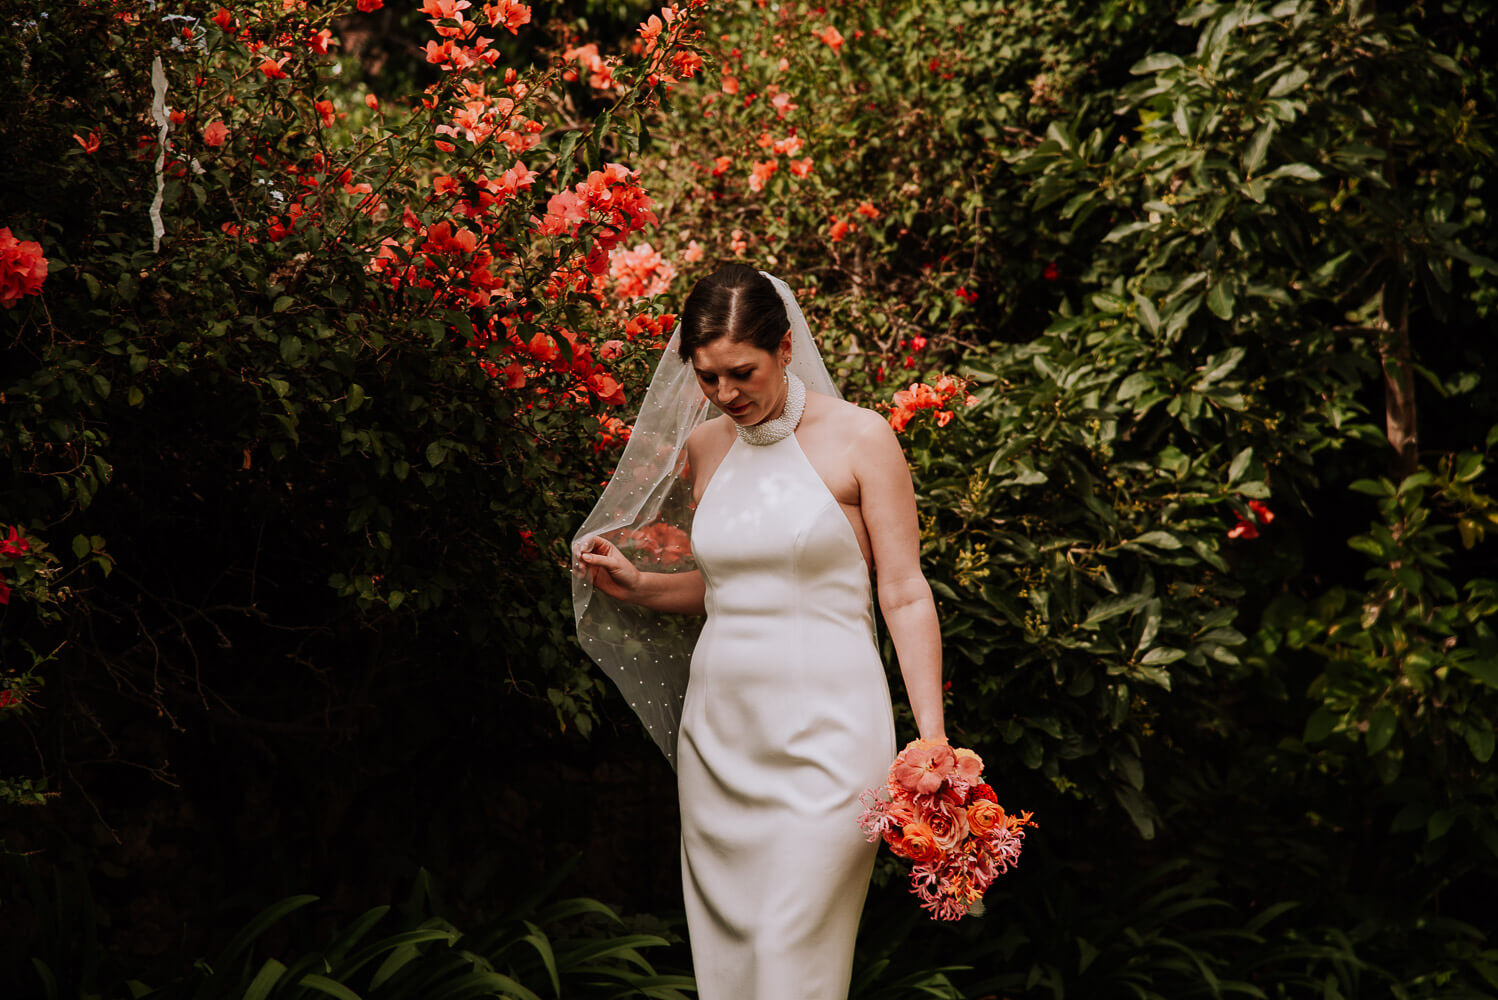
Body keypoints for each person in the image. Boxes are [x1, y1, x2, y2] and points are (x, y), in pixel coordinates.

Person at [572, 263, 945, 1000]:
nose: (724, 395)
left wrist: (931, 737)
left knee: (789, 950)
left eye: (740, 372)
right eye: (707, 378)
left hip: (830, 740)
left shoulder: (860, 439)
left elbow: (902, 592)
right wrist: (642, 584)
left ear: (784, 347)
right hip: (722, 742)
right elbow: (728, 587)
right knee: (734, 964)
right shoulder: (707, 449)